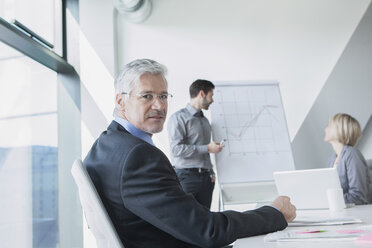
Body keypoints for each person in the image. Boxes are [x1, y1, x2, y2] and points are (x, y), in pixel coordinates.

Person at [84, 58, 296, 248]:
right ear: (121, 101)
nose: (159, 105)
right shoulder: (138, 156)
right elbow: (208, 231)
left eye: (163, 96)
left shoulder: (104, 145)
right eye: (147, 96)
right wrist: (273, 213)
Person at [167, 79, 223, 209]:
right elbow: (176, 149)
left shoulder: (204, 120)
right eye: (211, 95)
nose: (212, 100)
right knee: (185, 218)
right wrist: (208, 148)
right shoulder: (178, 118)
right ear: (202, 94)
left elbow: (203, 151)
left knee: (205, 219)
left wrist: (211, 171)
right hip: (186, 177)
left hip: (206, 178)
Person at [325, 113, 372, 205]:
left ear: (339, 130)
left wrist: (329, 200)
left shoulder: (352, 154)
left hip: (357, 213)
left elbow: (358, 197)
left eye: (329, 126)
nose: (325, 129)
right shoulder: (331, 159)